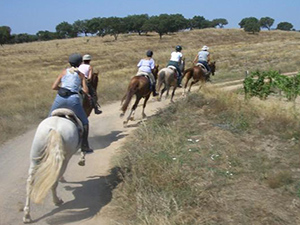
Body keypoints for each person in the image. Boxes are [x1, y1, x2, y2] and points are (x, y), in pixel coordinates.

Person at [49, 53, 94, 153]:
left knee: (49, 120)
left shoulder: (64, 72)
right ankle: (85, 146)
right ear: (79, 63)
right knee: (85, 122)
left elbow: (54, 87)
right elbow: (86, 91)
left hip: (60, 98)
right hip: (73, 100)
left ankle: (46, 143)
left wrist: (63, 89)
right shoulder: (80, 75)